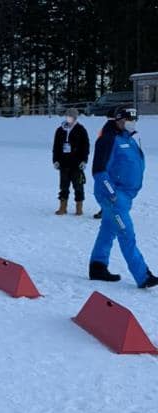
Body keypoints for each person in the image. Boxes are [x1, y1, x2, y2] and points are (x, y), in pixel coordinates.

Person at [89, 106, 158, 288]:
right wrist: (112, 193)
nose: (132, 123)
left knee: (108, 230)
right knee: (126, 234)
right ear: (119, 120)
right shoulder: (108, 139)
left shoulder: (128, 138)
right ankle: (143, 275)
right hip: (113, 196)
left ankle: (97, 266)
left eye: (134, 120)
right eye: (128, 119)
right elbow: (98, 171)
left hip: (126, 195)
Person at [51, 107, 89, 215]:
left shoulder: (81, 130)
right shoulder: (60, 130)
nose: (69, 118)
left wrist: (84, 160)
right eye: (67, 116)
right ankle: (63, 207)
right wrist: (55, 160)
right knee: (63, 186)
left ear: (75, 117)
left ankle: (79, 207)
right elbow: (56, 147)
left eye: (71, 116)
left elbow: (86, 146)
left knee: (78, 186)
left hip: (76, 164)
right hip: (63, 163)